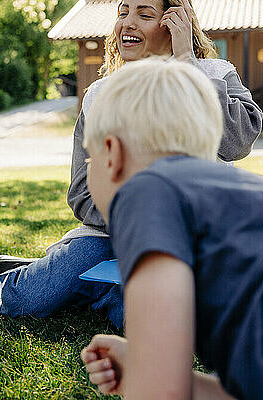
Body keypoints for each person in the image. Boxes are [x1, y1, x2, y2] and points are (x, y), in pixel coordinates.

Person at [0, 0, 262, 329]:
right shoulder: (99, 95)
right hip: (109, 235)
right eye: (123, 12)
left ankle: (104, 287)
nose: (128, 23)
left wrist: (188, 64)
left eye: (144, 14)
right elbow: (81, 192)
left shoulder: (214, 75)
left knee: (150, 318)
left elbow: (237, 142)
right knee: (31, 299)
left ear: (175, 25)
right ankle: (52, 273)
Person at [80, 58, 261, 400]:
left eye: (89, 160)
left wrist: (148, 377)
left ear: (111, 153)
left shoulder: (146, 191)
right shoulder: (240, 194)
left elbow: (162, 394)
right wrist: (143, 365)